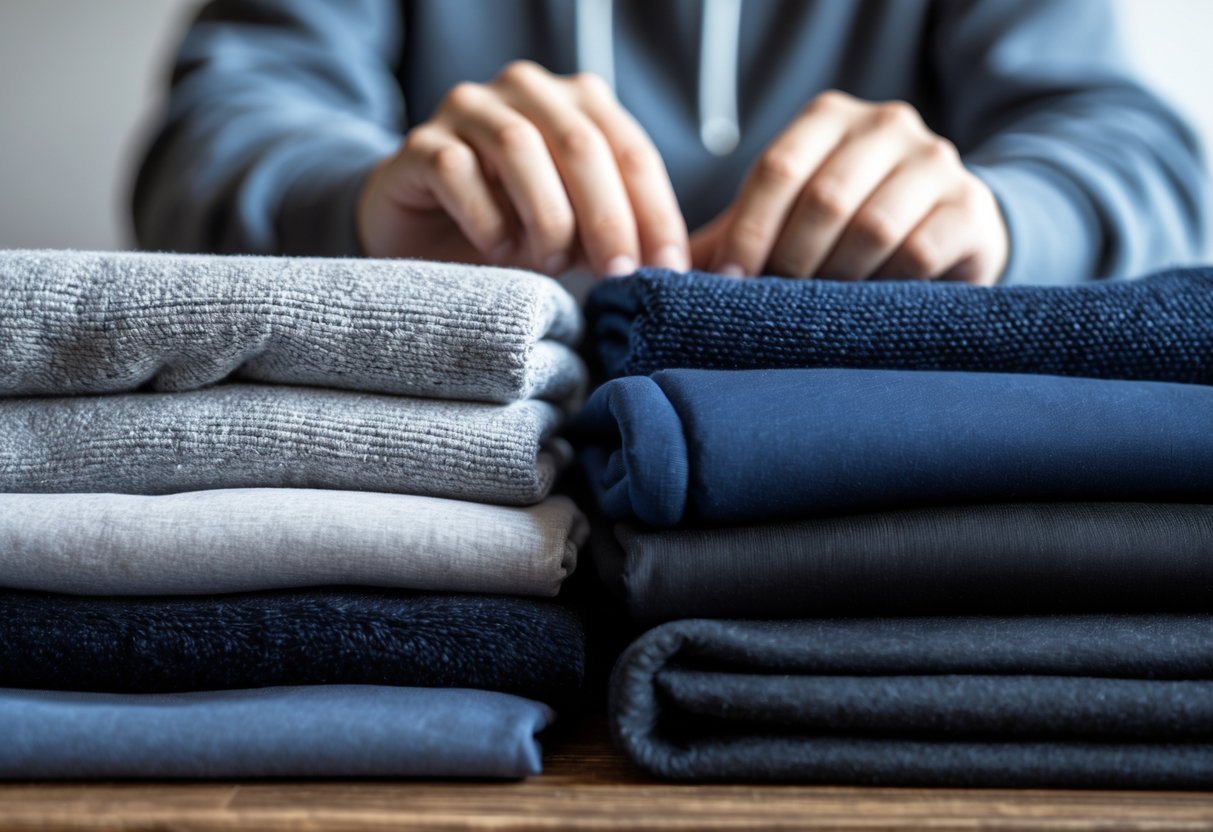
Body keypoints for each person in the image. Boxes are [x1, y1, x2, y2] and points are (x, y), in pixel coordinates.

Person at [132, 0, 1209, 286]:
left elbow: (1143, 160)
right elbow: (210, 141)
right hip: (454, 513)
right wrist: (361, 201)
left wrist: (997, 218)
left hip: (875, 527)